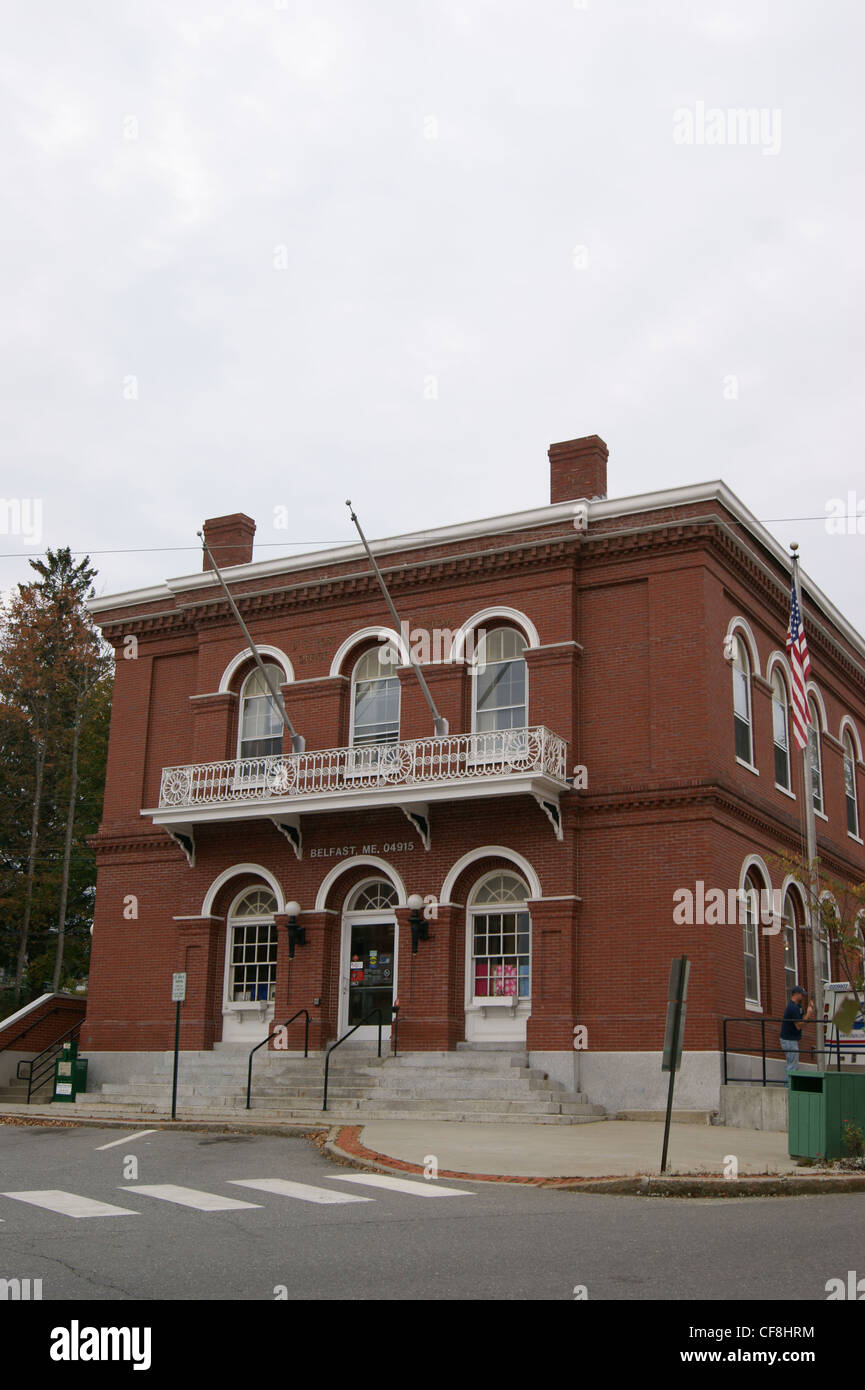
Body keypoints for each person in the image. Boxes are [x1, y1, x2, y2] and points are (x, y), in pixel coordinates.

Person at [780, 985, 815, 1086]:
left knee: (793, 1063)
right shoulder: (792, 1007)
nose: (803, 997)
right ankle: (788, 1088)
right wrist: (808, 1014)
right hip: (789, 1040)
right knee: (792, 1065)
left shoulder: (798, 1007)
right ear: (796, 994)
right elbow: (798, 1025)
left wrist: (808, 1013)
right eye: (801, 995)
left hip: (792, 1039)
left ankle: (789, 1086)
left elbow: (803, 1020)